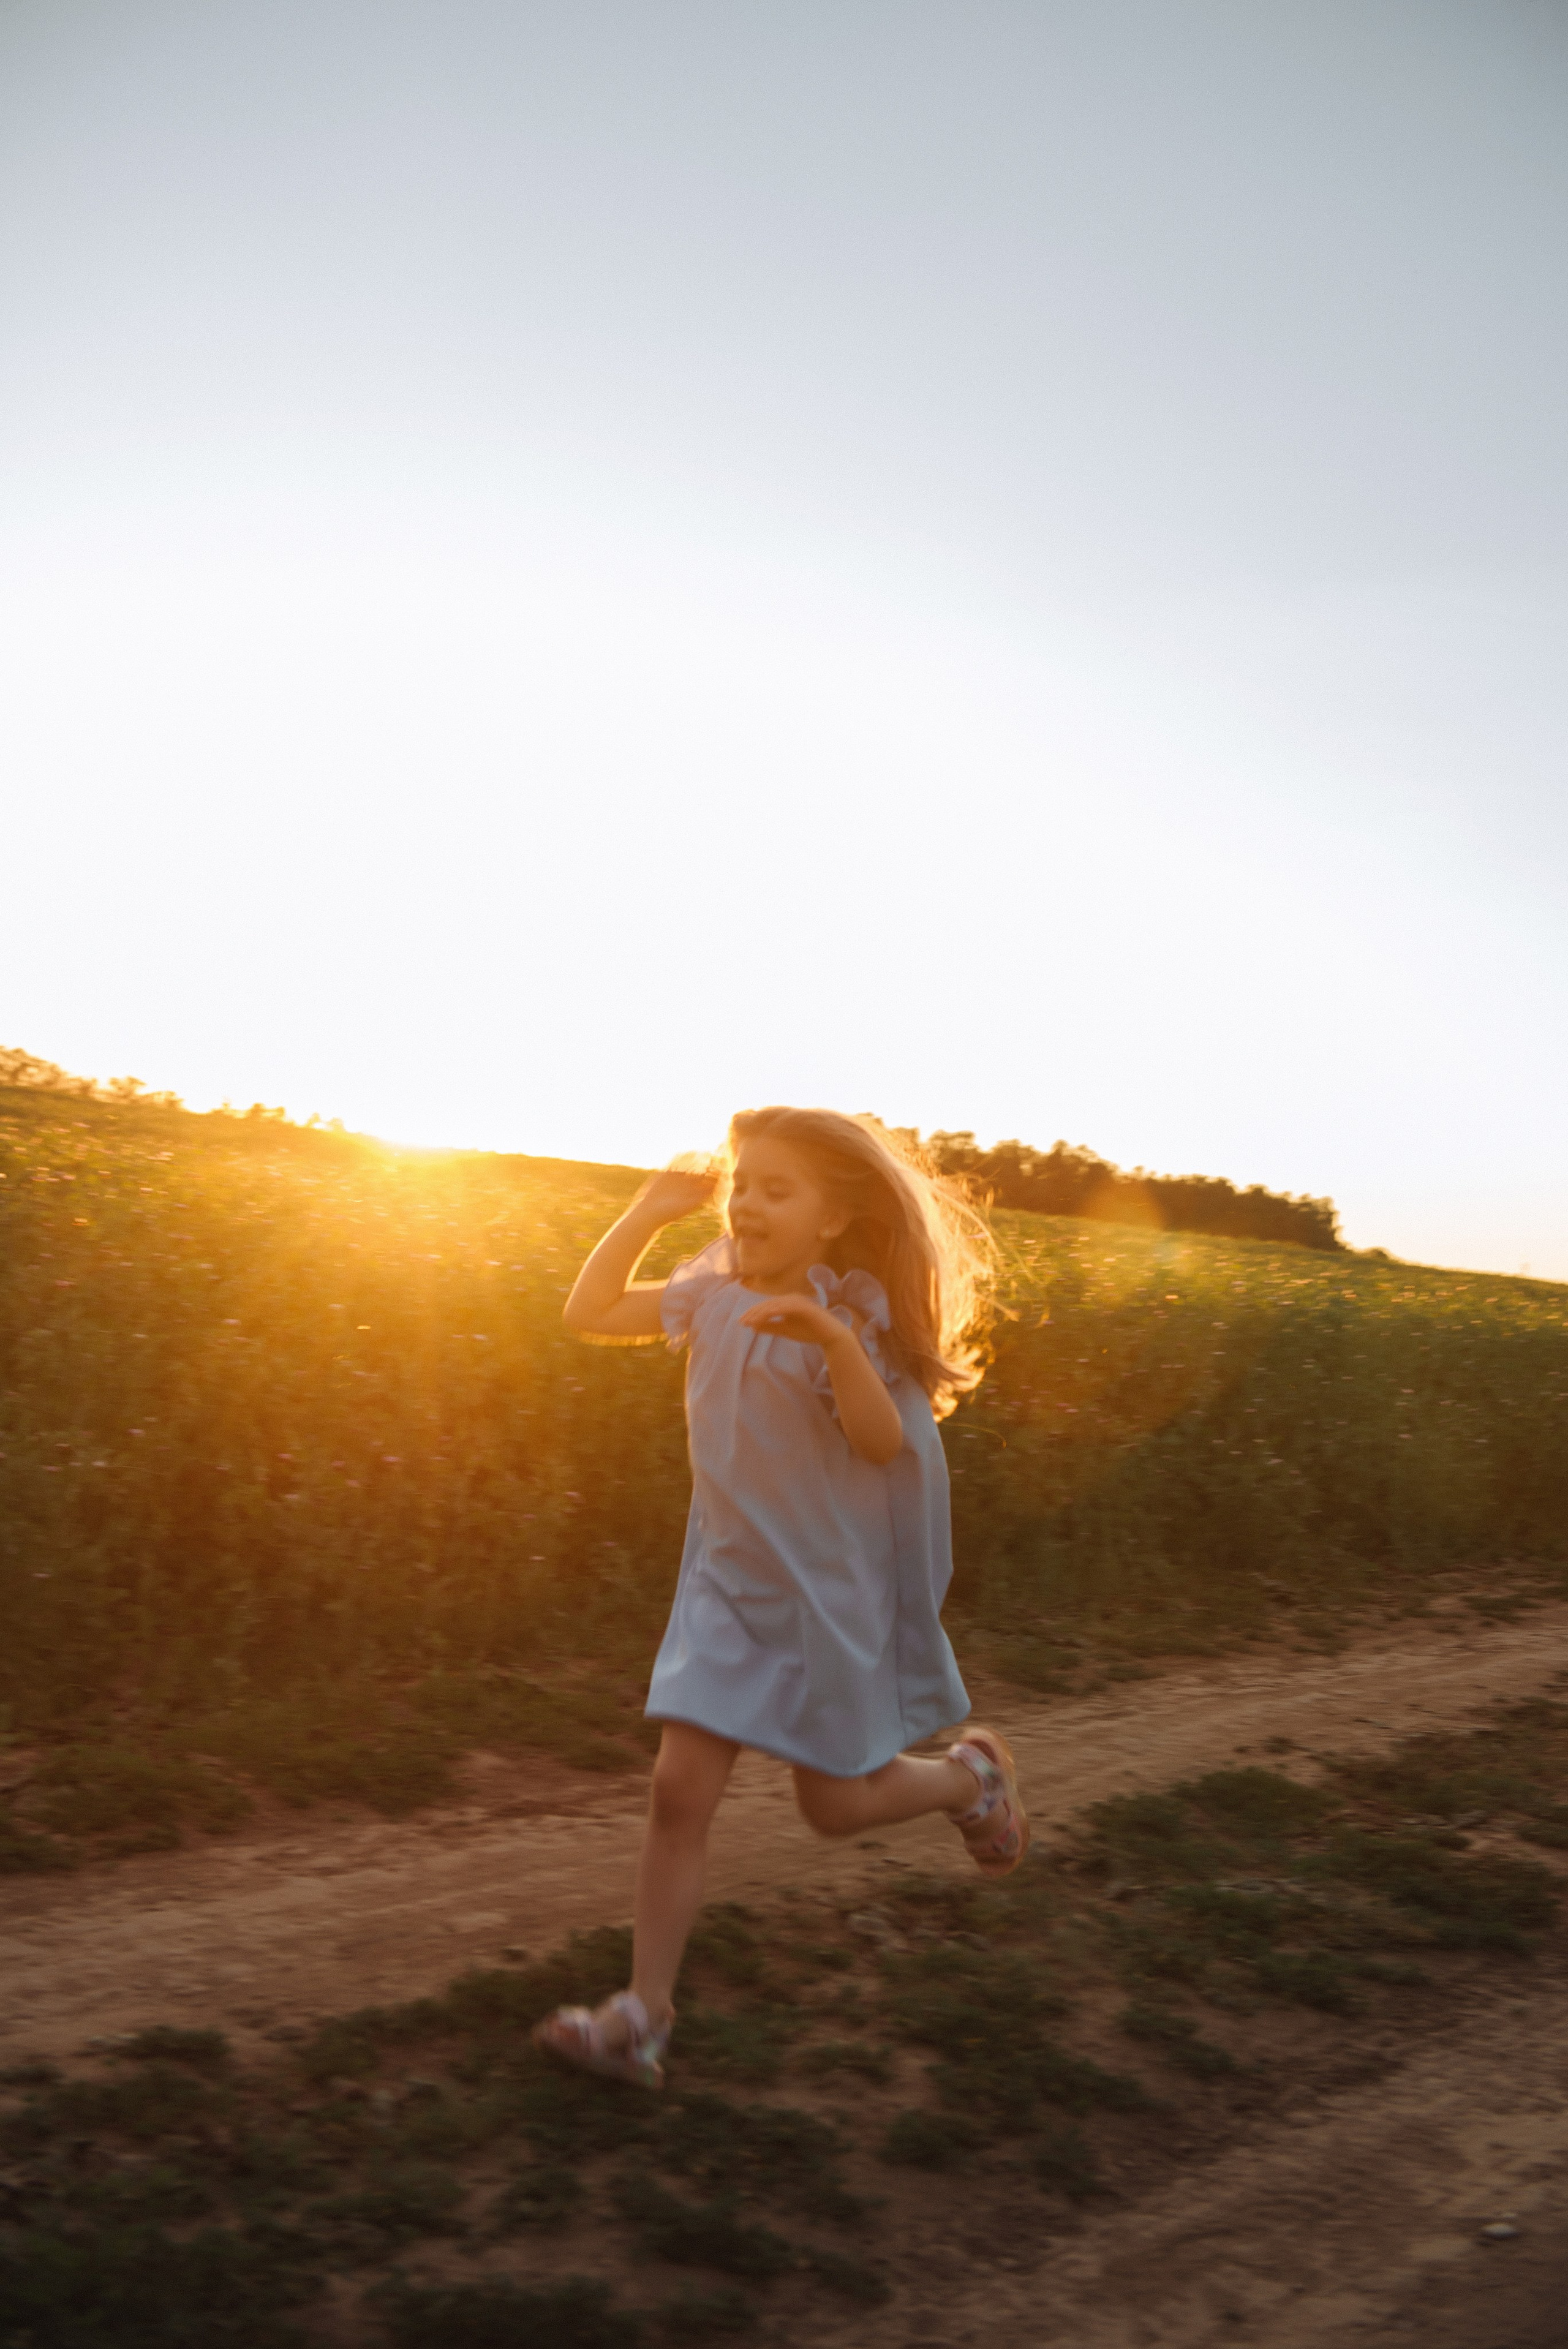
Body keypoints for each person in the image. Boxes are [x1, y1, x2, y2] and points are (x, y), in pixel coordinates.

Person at [533, 1106, 1028, 2088]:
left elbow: (882, 1442)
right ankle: (644, 2015)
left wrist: (831, 1341)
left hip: (823, 1603)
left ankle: (970, 1780)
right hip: (724, 1586)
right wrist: (645, 1212)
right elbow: (587, 1314)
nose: (748, 1203)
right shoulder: (708, 1294)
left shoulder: (852, 1317)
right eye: (740, 1183)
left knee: (835, 1809)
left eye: (776, 1188)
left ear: (832, 1219)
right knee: (678, 1791)